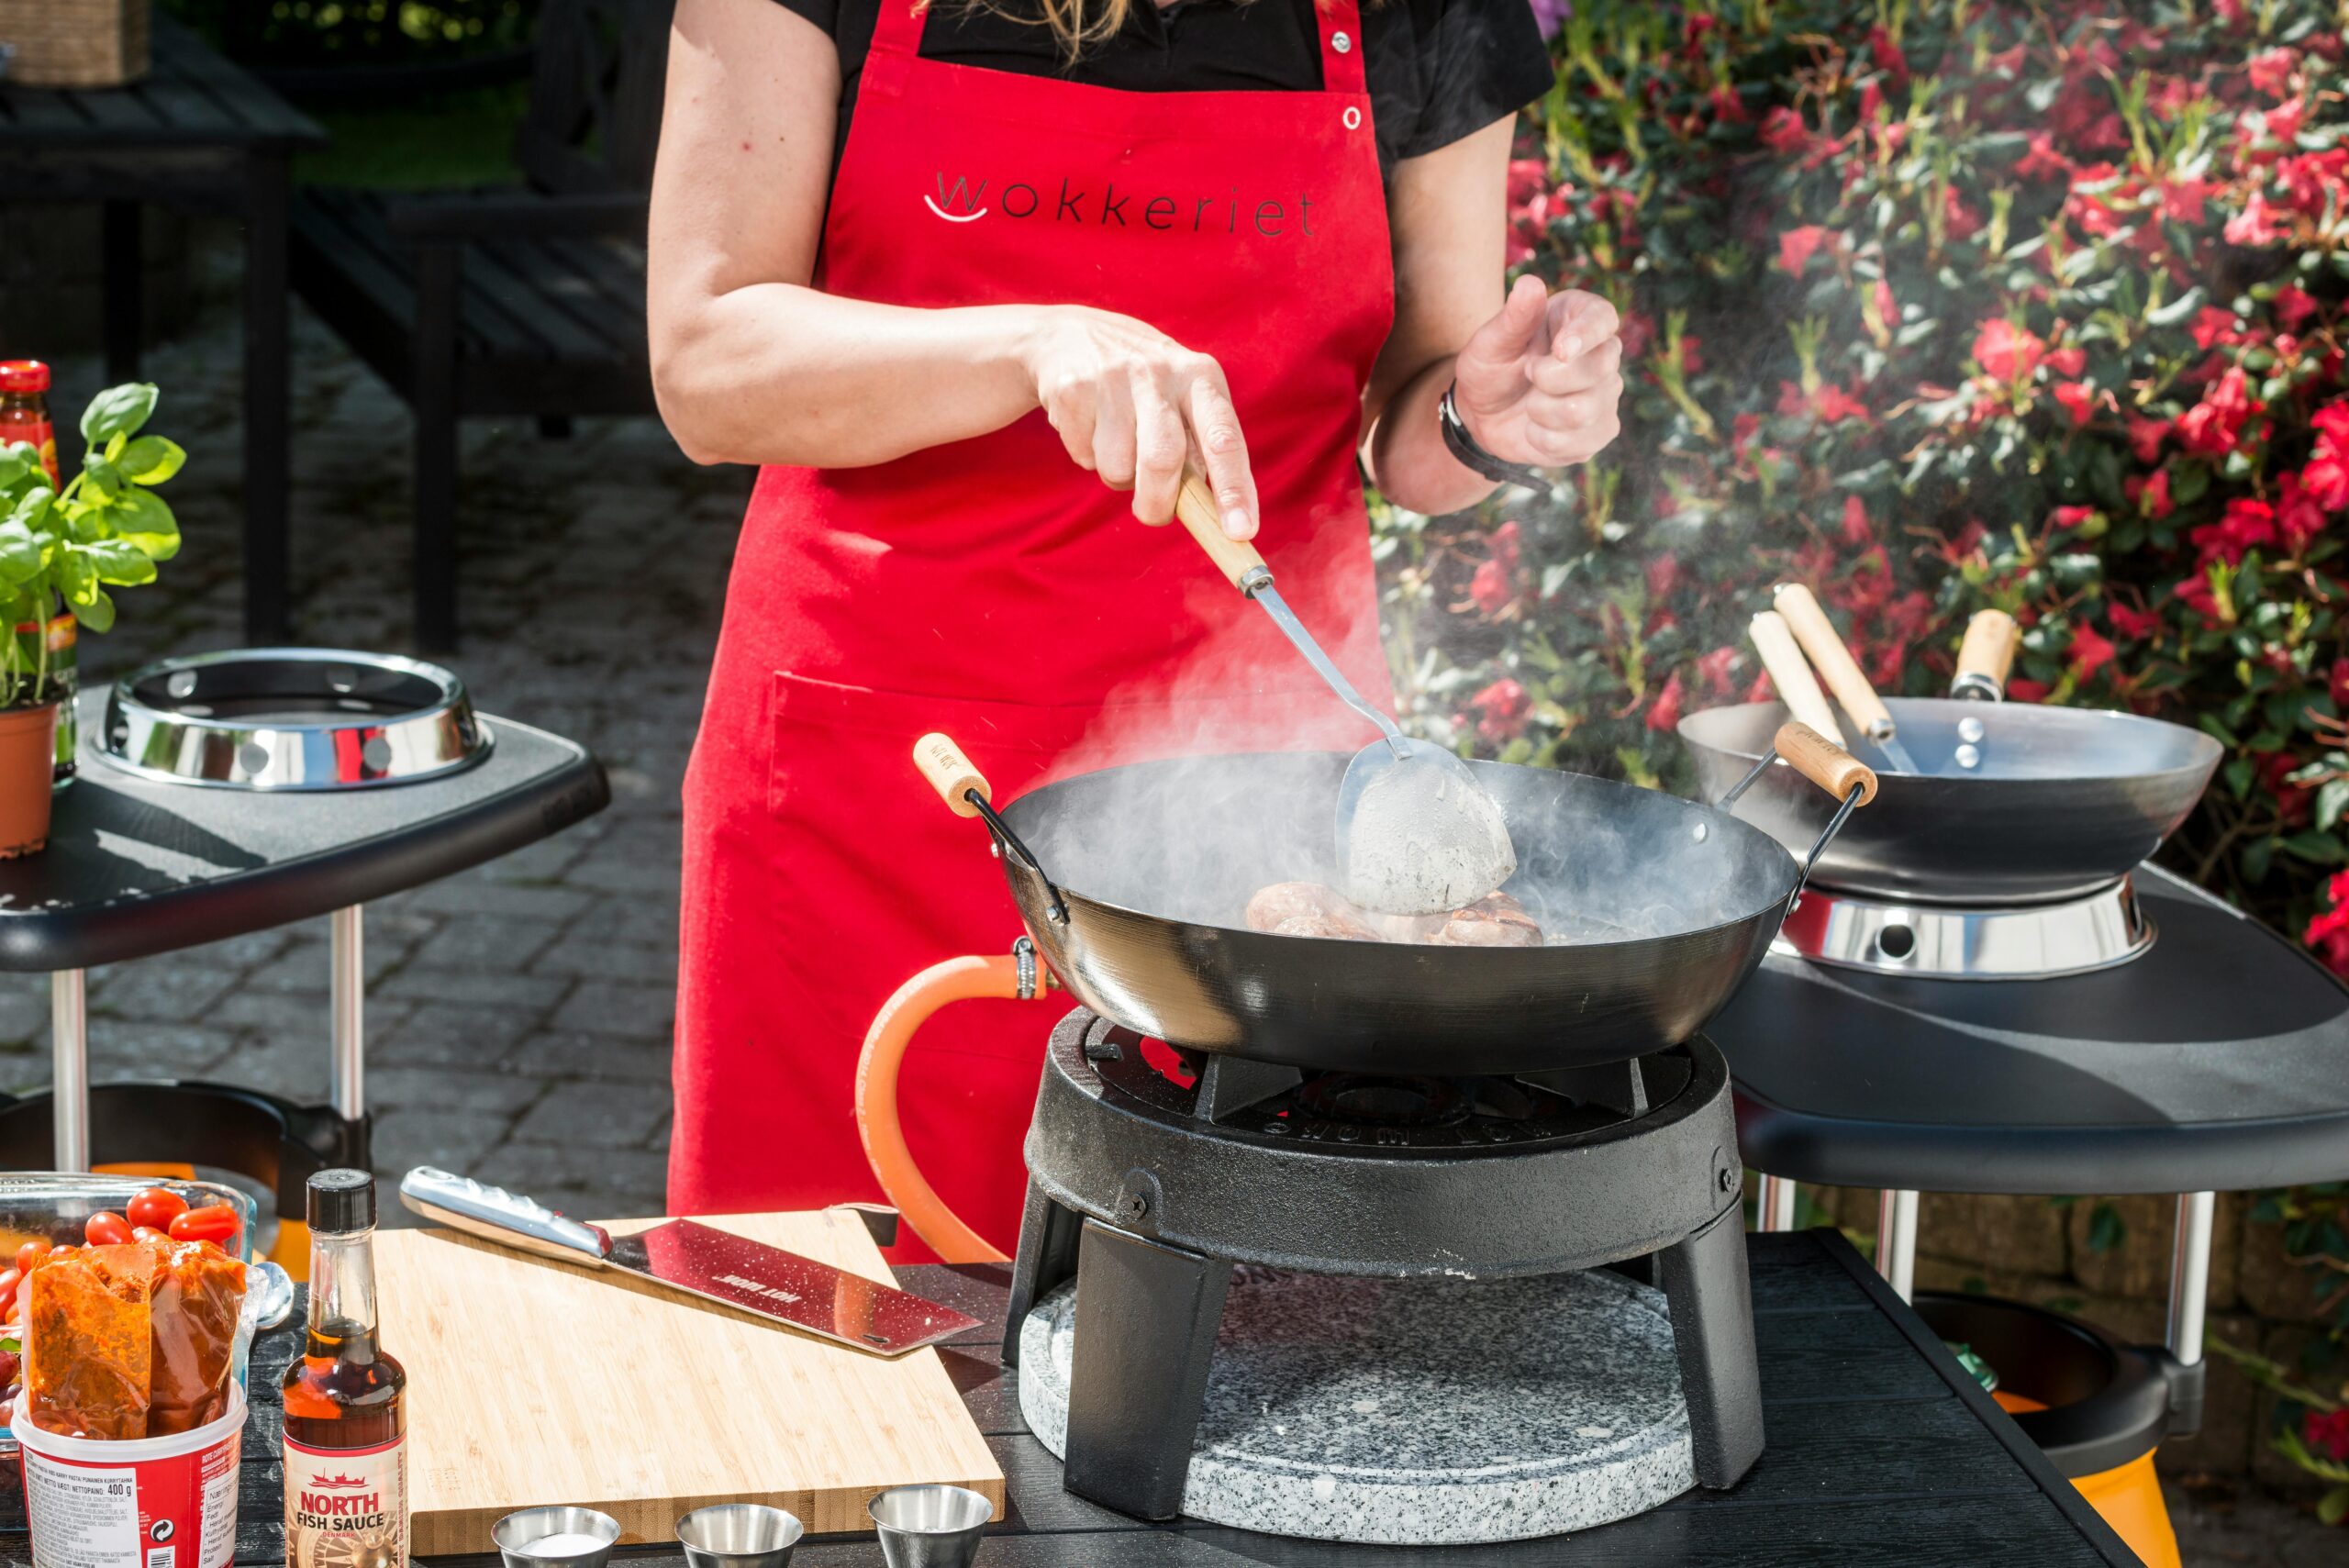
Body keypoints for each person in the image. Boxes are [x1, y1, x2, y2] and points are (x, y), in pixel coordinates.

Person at [650, 0, 1626, 1248]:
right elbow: (704, 364)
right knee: (828, 1374)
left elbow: (1413, 408)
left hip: (1253, 840)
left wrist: (1483, 419)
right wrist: (1033, 344)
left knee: (1225, 1368)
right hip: (877, 776)